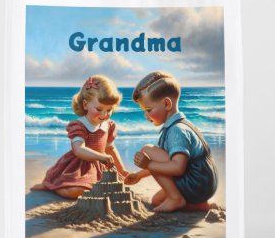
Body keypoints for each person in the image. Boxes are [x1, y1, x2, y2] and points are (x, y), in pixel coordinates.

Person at [125, 71, 218, 212]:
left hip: (196, 183)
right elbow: (164, 163)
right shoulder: (180, 124)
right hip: (202, 184)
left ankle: (176, 199)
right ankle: (201, 206)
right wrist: (139, 175)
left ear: (167, 104)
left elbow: (178, 168)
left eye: (148, 109)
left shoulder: (177, 130)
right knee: (157, 200)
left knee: (147, 150)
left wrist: (148, 163)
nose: (145, 115)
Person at [30, 75, 129, 198]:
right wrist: (100, 156)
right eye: (99, 109)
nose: (104, 114)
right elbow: (78, 149)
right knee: (77, 190)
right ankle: (54, 187)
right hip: (80, 166)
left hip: (100, 166)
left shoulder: (109, 126)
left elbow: (110, 148)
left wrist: (122, 169)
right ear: (86, 105)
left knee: (118, 185)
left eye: (109, 110)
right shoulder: (80, 125)